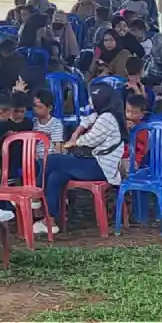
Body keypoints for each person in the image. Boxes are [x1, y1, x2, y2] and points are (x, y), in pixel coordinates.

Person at [41, 84, 125, 235]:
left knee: (52, 160)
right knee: (56, 176)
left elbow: (90, 140)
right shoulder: (105, 112)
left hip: (100, 167)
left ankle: (34, 195)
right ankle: (50, 219)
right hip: (94, 163)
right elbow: (87, 119)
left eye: (93, 98)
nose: (91, 101)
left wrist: (74, 142)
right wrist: (76, 132)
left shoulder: (107, 118)